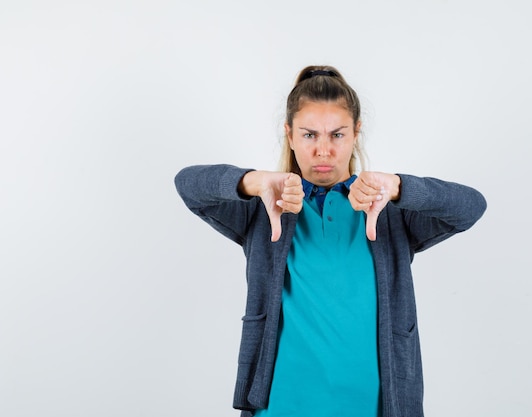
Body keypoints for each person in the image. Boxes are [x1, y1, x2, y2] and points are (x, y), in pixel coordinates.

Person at [174, 65, 487, 417]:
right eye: (309, 135)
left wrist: (399, 187)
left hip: (373, 406)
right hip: (281, 405)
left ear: (356, 133)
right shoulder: (264, 209)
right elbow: (189, 185)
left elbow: (471, 207)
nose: (323, 151)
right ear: (289, 135)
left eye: (336, 135)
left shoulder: (389, 211)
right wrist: (255, 182)